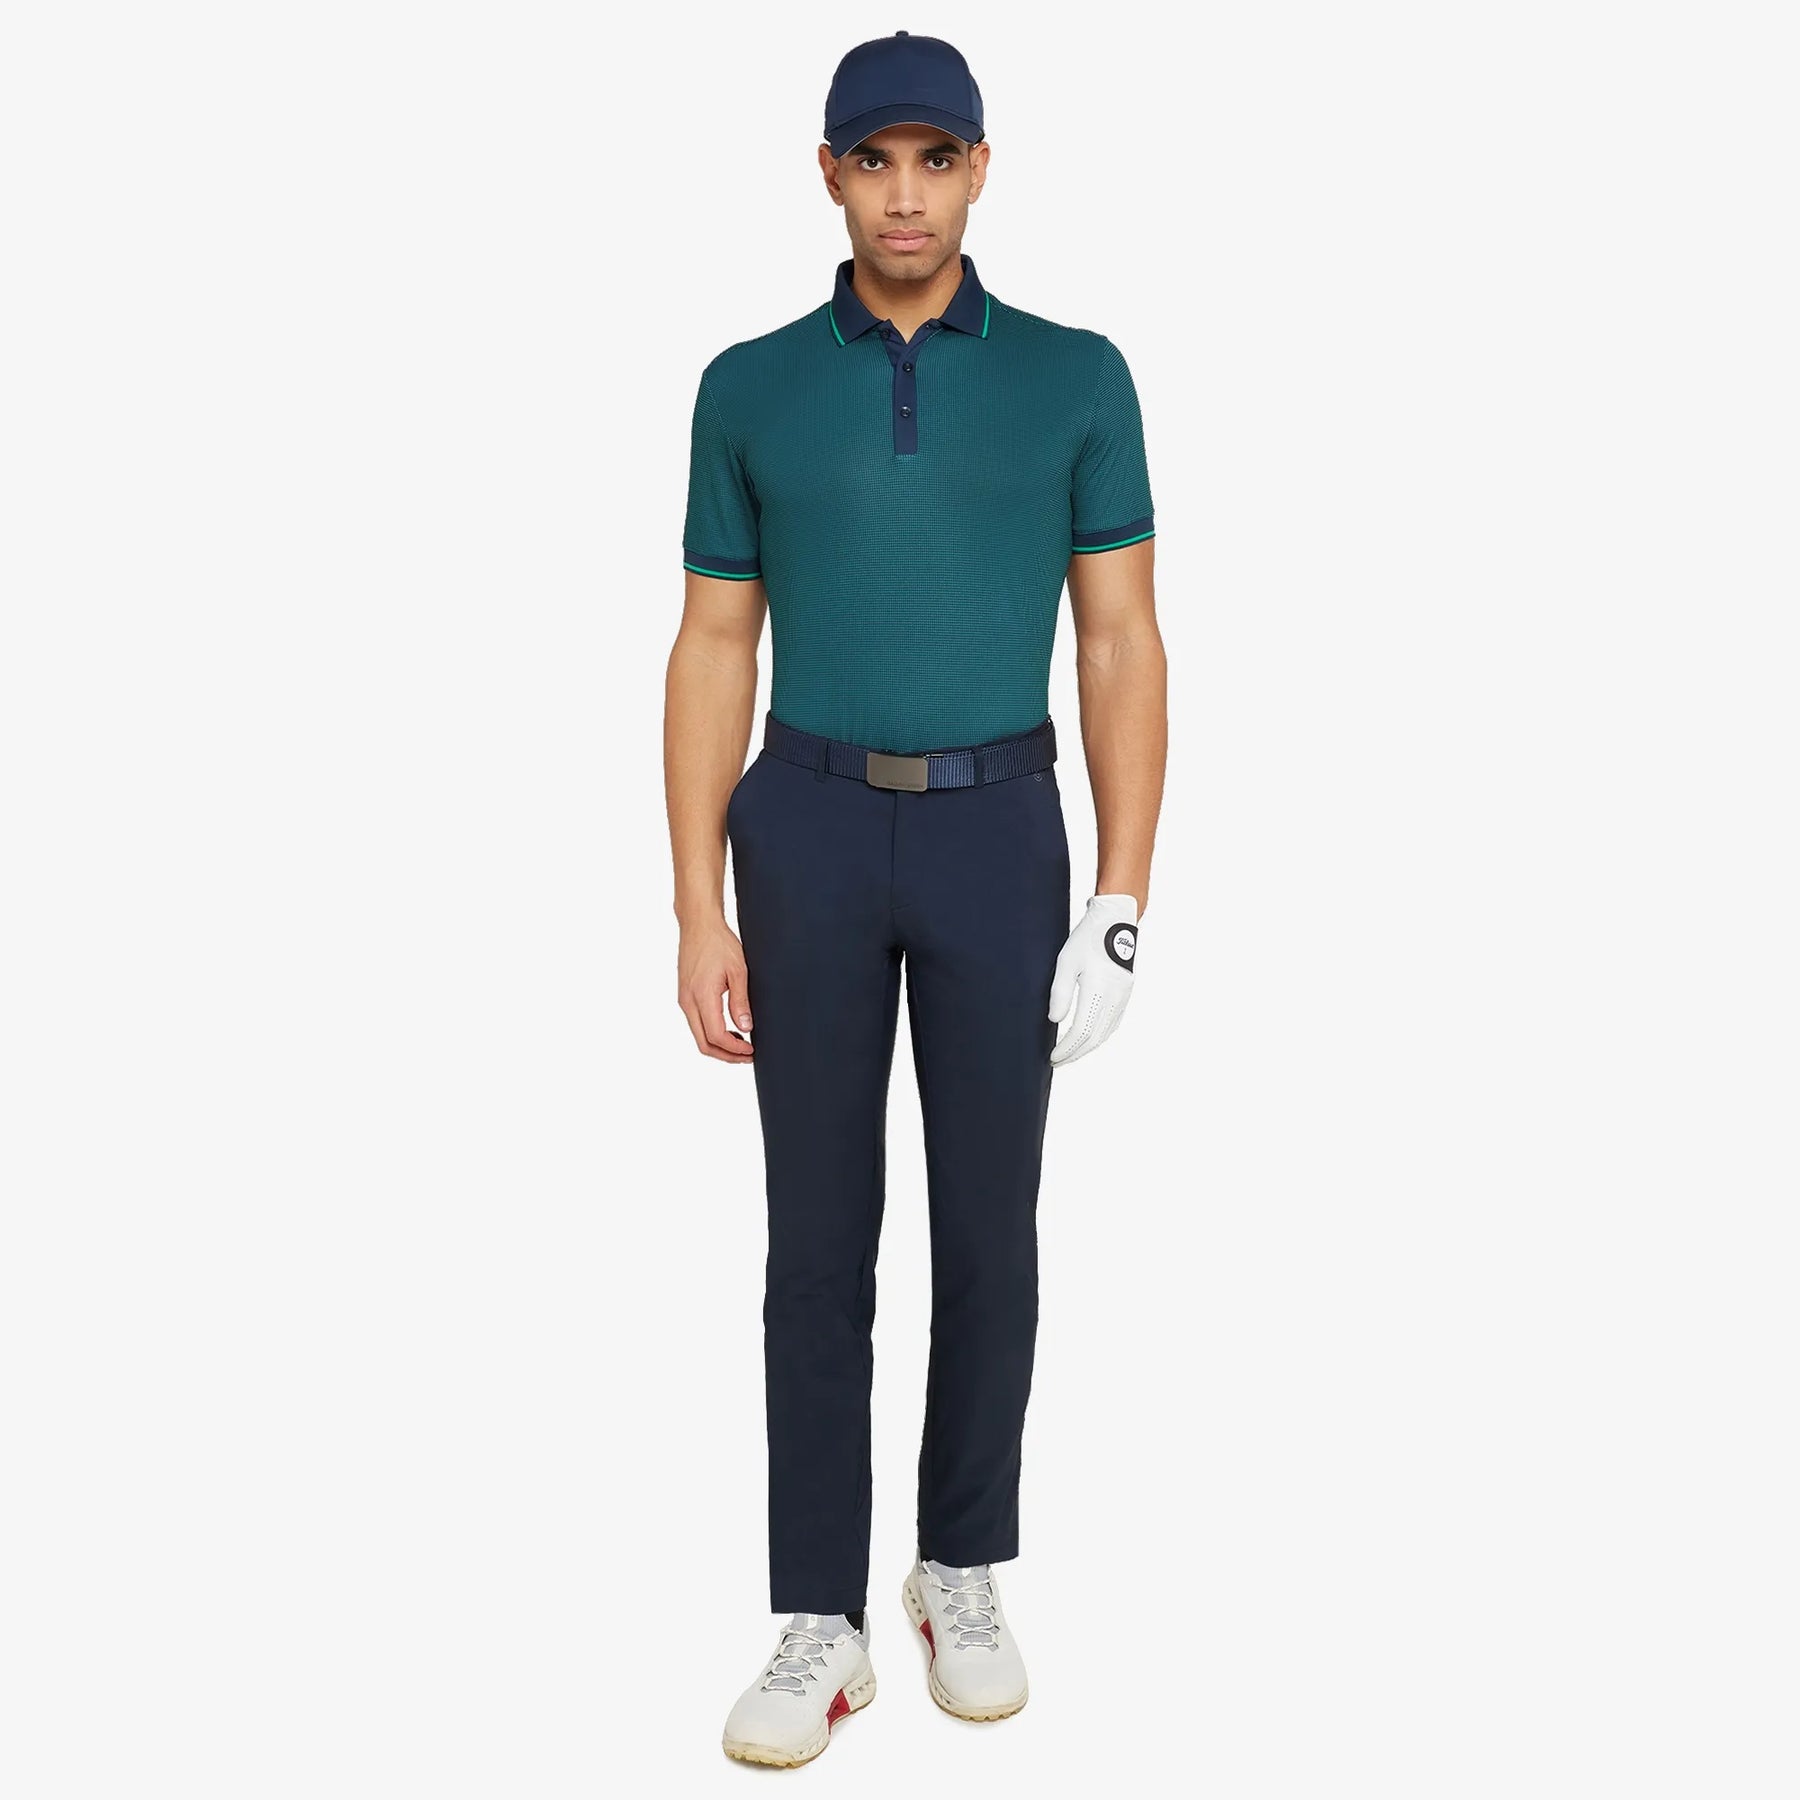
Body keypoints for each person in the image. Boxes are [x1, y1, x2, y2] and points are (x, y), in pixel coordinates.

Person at [662, 30, 1167, 1768]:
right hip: (800, 824)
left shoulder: (1077, 378)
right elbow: (711, 642)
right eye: (873, 161)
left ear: (979, 171)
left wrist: (1120, 894)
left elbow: (1121, 639)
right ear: (827, 175)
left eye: (933, 161)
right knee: (815, 1243)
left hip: (996, 827)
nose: (904, 195)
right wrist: (696, 903)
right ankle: (820, 1616)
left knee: (989, 1231)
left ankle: (960, 1566)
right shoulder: (747, 386)